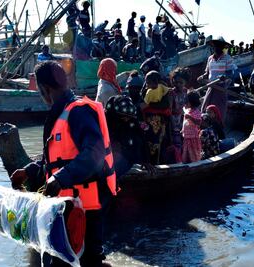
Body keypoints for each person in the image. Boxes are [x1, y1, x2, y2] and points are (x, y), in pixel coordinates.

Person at [10, 61, 117, 267]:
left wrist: (61, 178)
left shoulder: (78, 112)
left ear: (45, 90)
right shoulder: (60, 115)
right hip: (65, 208)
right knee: (63, 260)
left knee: (87, 261)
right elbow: (54, 161)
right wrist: (30, 171)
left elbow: (94, 154)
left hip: (86, 208)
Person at [105, 95, 154, 178]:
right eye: (124, 117)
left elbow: (141, 138)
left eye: (128, 117)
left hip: (126, 155)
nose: (126, 120)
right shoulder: (107, 119)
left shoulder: (131, 119)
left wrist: (145, 160)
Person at [197, 36, 235, 122]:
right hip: (211, 86)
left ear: (223, 47)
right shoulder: (210, 58)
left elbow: (231, 74)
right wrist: (202, 77)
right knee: (205, 108)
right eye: (216, 46)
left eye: (220, 46)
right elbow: (207, 73)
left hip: (221, 88)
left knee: (219, 110)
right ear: (213, 47)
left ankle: (218, 128)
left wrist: (224, 77)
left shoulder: (227, 58)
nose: (218, 48)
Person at [141, 71, 171, 164]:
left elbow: (165, 104)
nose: (147, 84)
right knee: (152, 142)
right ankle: (152, 162)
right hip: (154, 119)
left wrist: (149, 105)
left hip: (157, 120)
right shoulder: (153, 88)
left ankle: (154, 163)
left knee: (156, 142)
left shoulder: (157, 90)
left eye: (148, 82)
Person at [169, 67, 190, 154]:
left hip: (185, 120)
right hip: (175, 122)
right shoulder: (171, 93)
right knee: (177, 142)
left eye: (181, 82)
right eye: (176, 82)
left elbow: (188, 106)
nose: (178, 85)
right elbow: (169, 110)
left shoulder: (186, 91)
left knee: (185, 139)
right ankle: (179, 159)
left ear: (185, 82)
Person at [181, 91, 202, 163]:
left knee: (193, 153)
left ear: (192, 102)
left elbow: (198, 122)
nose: (185, 103)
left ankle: (195, 163)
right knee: (186, 151)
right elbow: (184, 121)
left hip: (193, 137)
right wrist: (182, 129)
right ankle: (186, 162)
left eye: (187, 102)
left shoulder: (196, 112)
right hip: (186, 136)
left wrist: (190, 117)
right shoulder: (187, 110)